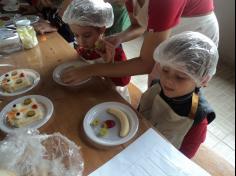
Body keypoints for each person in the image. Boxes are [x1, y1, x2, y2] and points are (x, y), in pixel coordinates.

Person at [61, 0, 219, 90]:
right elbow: (139, 26)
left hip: (195, 30)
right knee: (158, 84)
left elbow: (147, 63)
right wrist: (119, 38)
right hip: (168, 31)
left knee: (181, 85)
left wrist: (89, 70)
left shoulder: (164, 3)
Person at [138, 31, 218, 158]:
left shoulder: (197, 119)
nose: (167, 80)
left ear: (202, 80)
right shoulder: (156, 87)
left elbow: (183, 158)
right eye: (165, 70)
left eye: (180, 77)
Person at [61, 0, 131, 99]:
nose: (81, 42)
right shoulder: (84, 48)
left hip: (113, 98)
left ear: (102, 29)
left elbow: (124, 81)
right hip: (91, 93)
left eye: (87, 35)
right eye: (76, 35)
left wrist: (109, 63)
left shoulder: (115, 52)